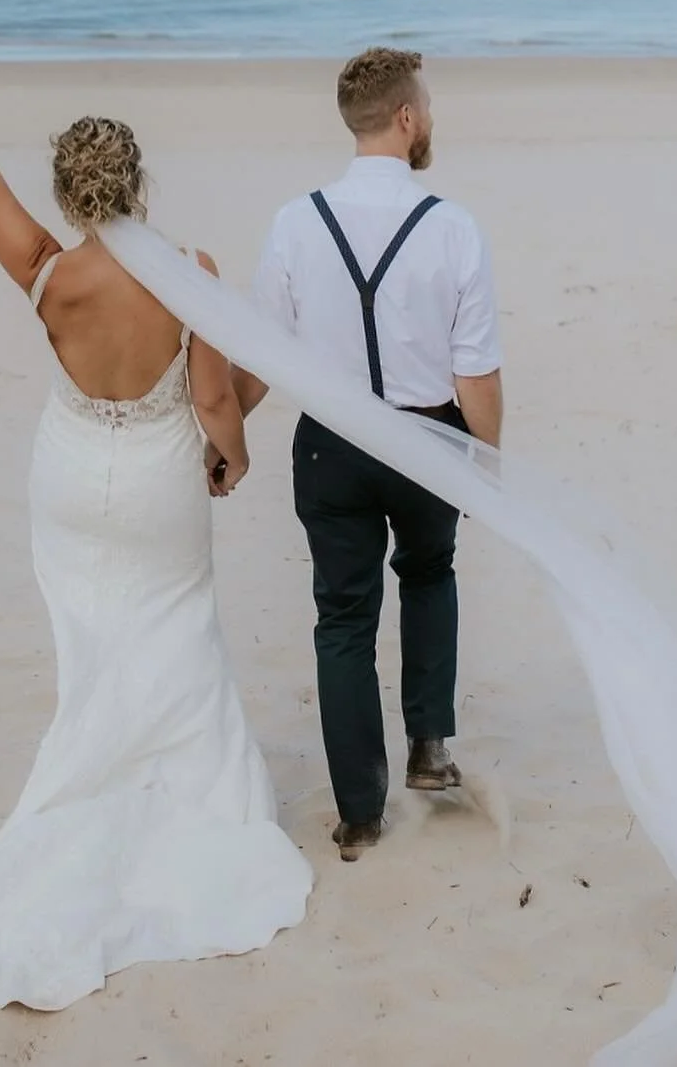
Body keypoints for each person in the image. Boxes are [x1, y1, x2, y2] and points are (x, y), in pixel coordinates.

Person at [0, 6, 311, 1012]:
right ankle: (178, 814)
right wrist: (232, 460)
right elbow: (211, 400)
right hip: (160, 483)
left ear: (68, 193)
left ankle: (90, 778)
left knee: (97, 648)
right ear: (140, 182)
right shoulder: (188, 272)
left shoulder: (44, 267)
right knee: (177, 634)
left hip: (70, 481)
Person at [232, 47, 503, 861]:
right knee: (428, 574)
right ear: (408, 117)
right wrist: (485, 460)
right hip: (427, 440)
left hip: (332, 447)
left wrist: (227, 434)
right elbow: (475, 368)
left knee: (342, 618)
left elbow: (261, 354)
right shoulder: (453, 225)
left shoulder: (294, 220)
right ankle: (429, 747)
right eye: (428, 105)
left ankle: (359, 810)